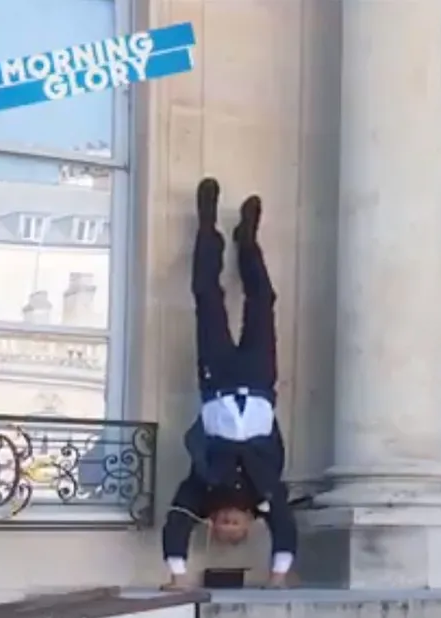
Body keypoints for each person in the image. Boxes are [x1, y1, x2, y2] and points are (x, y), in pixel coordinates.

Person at [161, 178, 297, 590]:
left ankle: (207, 227)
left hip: (217, 380)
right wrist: (278, 577)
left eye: (223, 525)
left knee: (208, 300)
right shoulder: (266, 492)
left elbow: (175, 524)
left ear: (212, 522)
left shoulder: (200, 487)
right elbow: (286, 529)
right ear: (250, 523)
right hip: (258, 380)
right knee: (263, 302)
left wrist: (178, 577)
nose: (228, 521)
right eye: (235, 525)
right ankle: (247, 241)